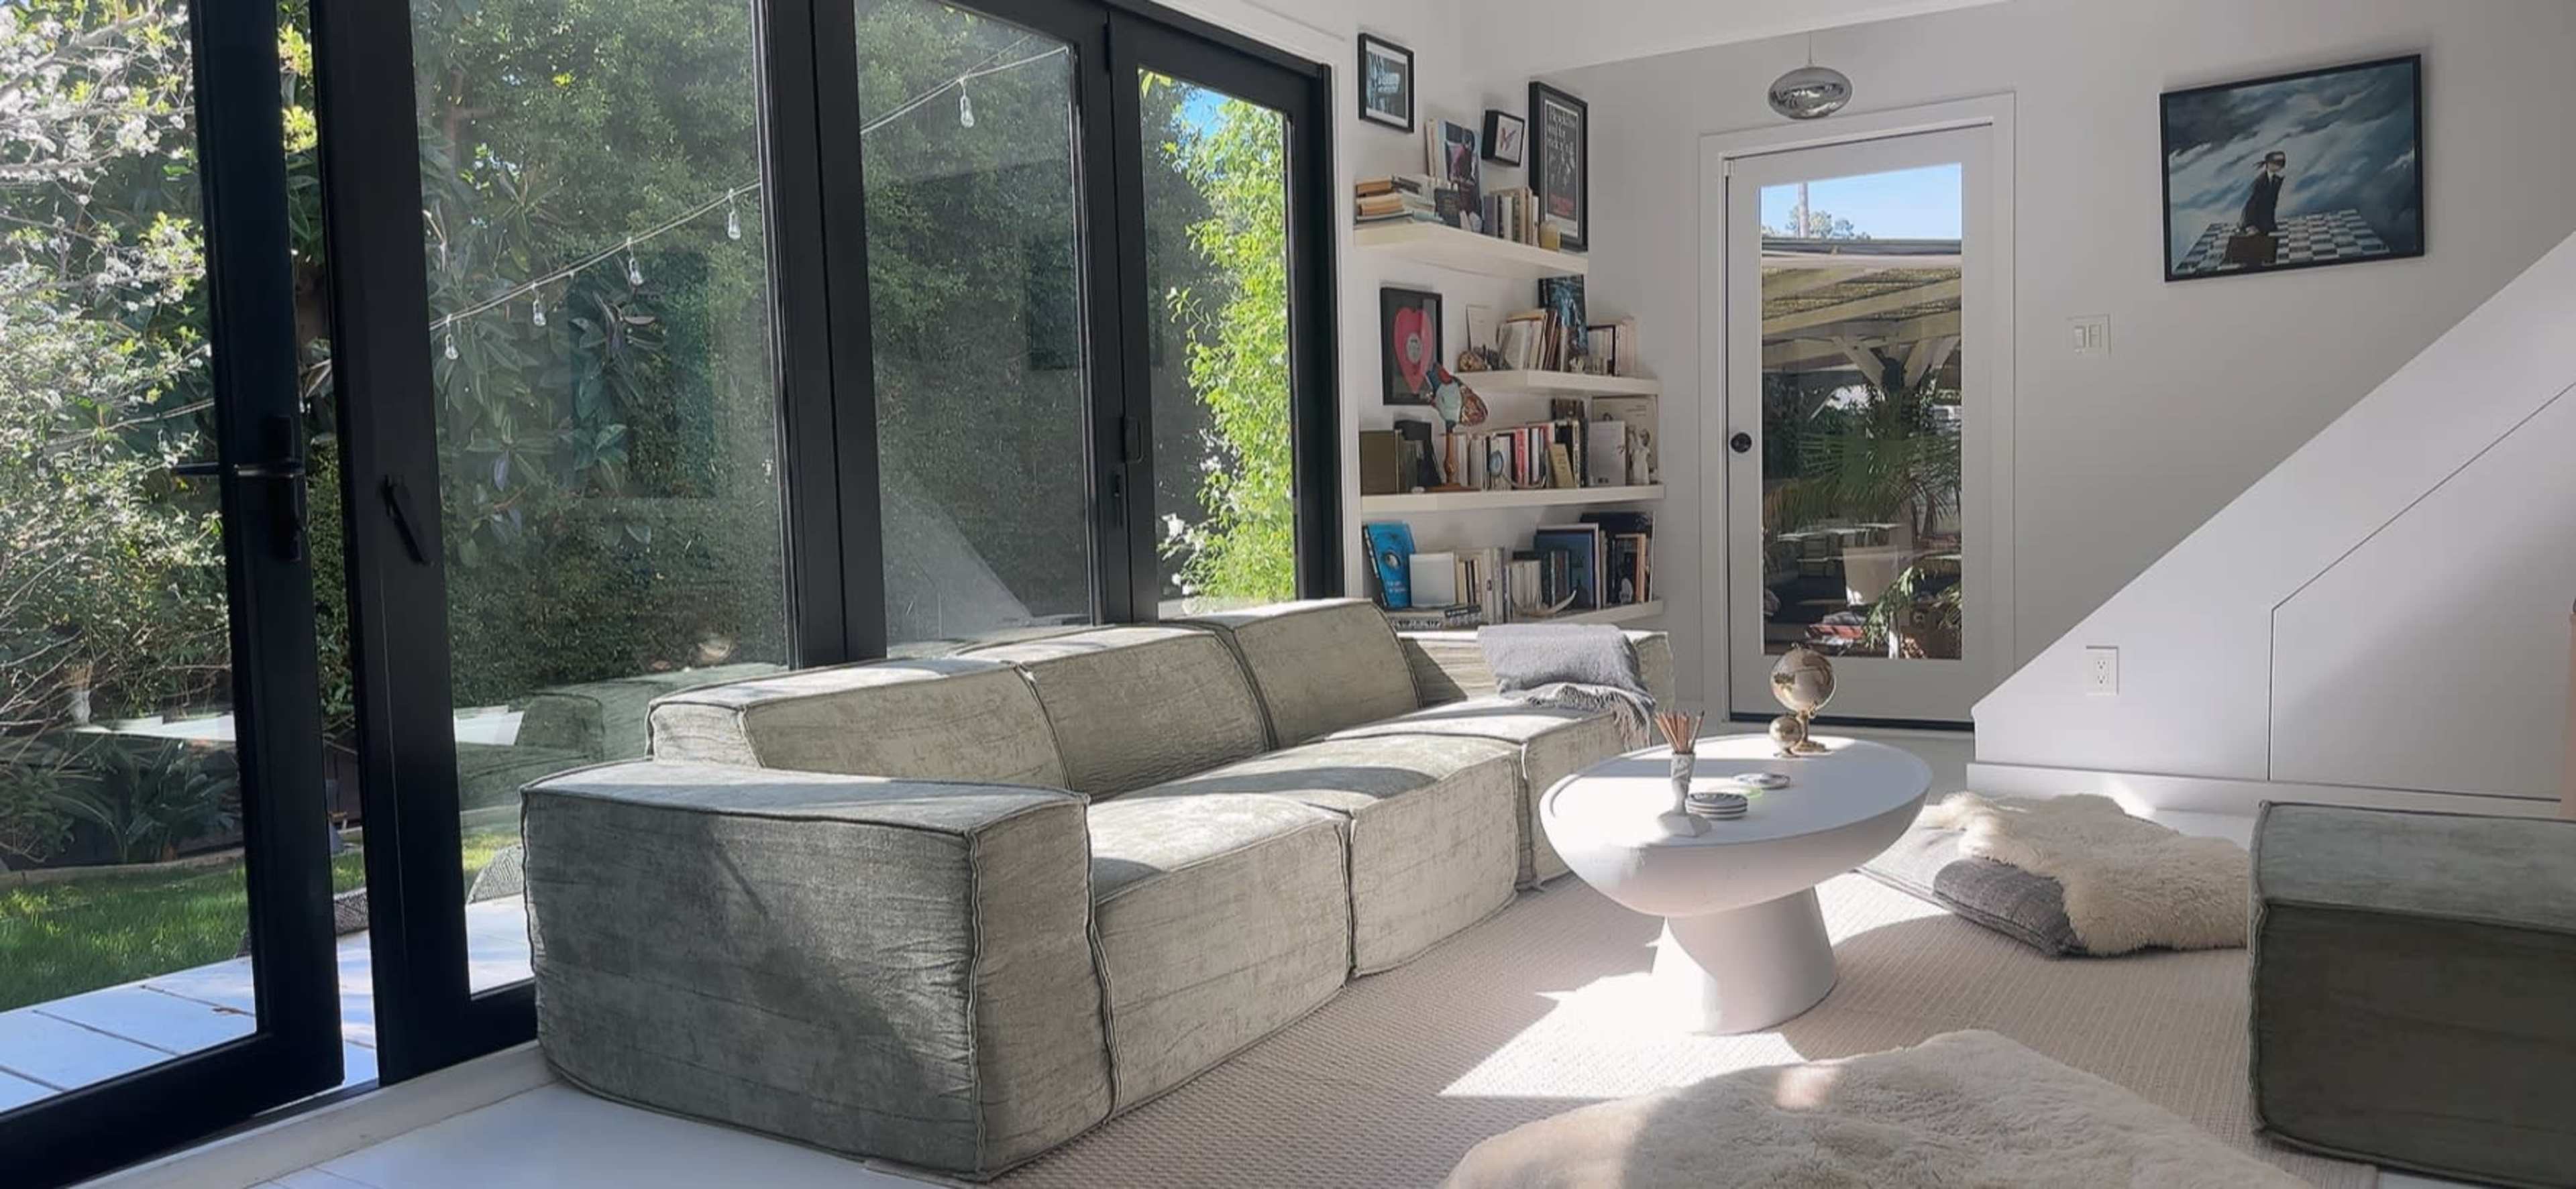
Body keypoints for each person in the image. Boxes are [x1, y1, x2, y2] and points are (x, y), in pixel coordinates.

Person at [2241, 150, 2286, 235]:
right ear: (2269, 164)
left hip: (2268, 222)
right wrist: (2250, 225)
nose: (2281, 166)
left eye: (2282, 163)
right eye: (2277, 163)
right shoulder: (2261, 180)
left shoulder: (2276, 179)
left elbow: (2272, 202)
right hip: (2256, 220)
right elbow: (2253, 203)